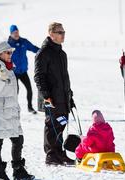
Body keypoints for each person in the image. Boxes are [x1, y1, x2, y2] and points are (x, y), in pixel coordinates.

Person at [0, 41, 34, 180]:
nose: (10, 54)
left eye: (11, 52)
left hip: (11, 111)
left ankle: (18, 171)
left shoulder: (10, 67)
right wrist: (0, 78)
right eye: (7, 52)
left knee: (18, 140)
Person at [34, 22, 75, 165]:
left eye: (64, 32)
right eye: (60, 32)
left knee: (61, 124)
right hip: (51, 98)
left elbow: (64, 77)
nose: (63, 35)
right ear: (51, 34)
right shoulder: (43, 53)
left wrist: (69, 95)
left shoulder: (62, 54)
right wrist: (46, 96)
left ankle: (59, 152)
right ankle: (51, 155)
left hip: (62, 96)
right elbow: (39, 77)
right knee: (52, 125)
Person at [8, 25, 39, 114]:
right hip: (13, 73)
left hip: (23, 71)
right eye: (14, 33)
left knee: (29, 89)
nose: (16, 34)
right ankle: (13, 109)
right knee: (15, 92)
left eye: (17, 32)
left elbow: (34, 48)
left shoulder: (23, 42)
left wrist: (43, 50)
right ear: (11, 34)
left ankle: (30, 107)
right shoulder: (8, 44)